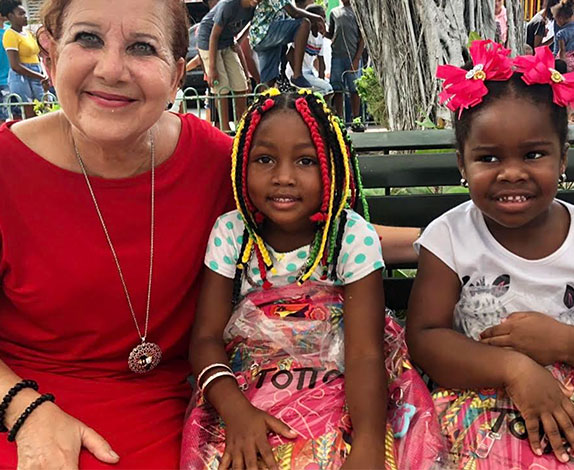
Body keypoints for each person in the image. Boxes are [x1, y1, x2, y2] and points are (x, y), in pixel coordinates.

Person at [0, 0, 420, 468]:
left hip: (174, 395)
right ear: (48, 52)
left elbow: (315, 233)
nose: (112, 69)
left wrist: (449, 242)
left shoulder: (219, 162)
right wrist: (29, 414)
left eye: (141, 48)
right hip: (21, 398)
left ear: (179, 72)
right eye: (87, 38)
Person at [410, 40, 574, 469]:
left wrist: (564, 341)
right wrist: (515, 369)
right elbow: (426, 339)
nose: (512, 172)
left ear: (563, 157)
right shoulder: (450, 237)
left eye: (534, 154)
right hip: (480, 389)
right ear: (462, 164)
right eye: (488, 157)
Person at [182, 90, 443, 470]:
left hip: (345, 381)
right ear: (241, 166)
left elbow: (364, 353)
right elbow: (205, 339)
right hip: (246, 388)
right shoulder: (233, 234)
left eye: (306, 160)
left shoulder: (350, 237)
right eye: (265, 159)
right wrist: (236, 411)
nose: (283, 177)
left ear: (332, 166)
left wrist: (368, 442)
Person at [197, 0, 266, 132]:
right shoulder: (229, 6)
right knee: (222, 86)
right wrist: (212, 68)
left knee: (241, 84)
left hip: (227, 43)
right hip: (209, 42)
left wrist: (236, 44)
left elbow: (243, 33)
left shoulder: (253, 10)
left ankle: (242, 124)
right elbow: (214, 36)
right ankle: (224, 127)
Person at [248, 0, 326, 88]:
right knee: (304, 23)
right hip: (264, 32)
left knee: (268, 81)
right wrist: (317, 18)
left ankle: (262, 102)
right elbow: (293, 13)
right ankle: (297, 75)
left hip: (265, 37)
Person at [0, 0, 50, 120]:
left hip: (36, 72)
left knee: (44, 108)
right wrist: (39, 76)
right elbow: (15, 65)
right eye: (20, 14)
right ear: (11, 16)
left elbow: (36, 55)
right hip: (22, 77)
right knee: (30, 113)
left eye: (24, 13)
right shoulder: (10, 35)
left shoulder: (27, 33)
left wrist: (42, 73)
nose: (25, 16)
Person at [327, 0, 364, 130]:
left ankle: (356, 119)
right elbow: (331, 33)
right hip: (337, 56)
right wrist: (323, 32)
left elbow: (362, 38)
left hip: (353, 56)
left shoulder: (357, 12)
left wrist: (357, 59)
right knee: (337, 88)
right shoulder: (334, 12)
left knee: (354, 89)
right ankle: (340, 120)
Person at [286, 4, 333, 97]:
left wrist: (321, 79)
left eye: (324, 17)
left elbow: (321, 61)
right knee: (327, 88)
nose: (323, 20)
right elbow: (289, 54)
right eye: (320, 17)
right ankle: (320, 109)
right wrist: (296, 74)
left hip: (310, 71)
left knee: (327, 85)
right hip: (297, 72)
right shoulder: (304, 34)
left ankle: (319, 107)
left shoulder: (320, 37)